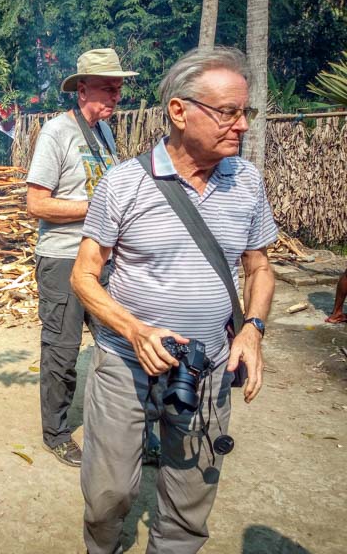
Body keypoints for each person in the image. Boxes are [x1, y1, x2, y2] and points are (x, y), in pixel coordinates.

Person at [70, 47, 278, 553]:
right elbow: (84, 276)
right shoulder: (124, 183)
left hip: (206, 369)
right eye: (228, 112)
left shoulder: (247, 181)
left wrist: (252, 329)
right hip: (125, 363)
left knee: (189, 502)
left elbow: (260, 267)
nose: (243, 125)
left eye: (245, 112)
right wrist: (136, 330)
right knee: (108, 494)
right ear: (180, 111)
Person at [25, 48, 137, 467]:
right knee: (62, 350)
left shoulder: (106, 134)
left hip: (101, 260)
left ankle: (122, 426)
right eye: (109, 88)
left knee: (118, 343)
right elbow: (37, 204)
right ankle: (55, 433)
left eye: (119, 88)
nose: (116, 96)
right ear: (83, 88)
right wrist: (99, 207)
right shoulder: (57, 132)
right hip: (62, 261)